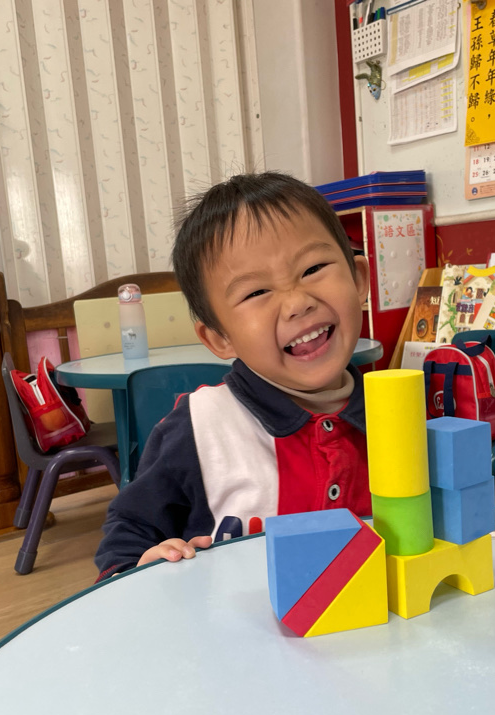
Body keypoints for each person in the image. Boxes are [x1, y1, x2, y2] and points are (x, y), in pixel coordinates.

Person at [94, 172, 372, 580]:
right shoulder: (198, 428)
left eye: (313, 268)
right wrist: (141, 568)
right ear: (219, 337)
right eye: (256, 292)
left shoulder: (401, 414)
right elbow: (128, 535)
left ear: (359, 279)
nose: (297, 303)